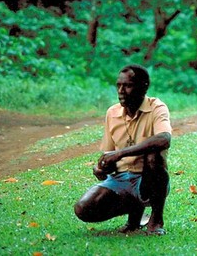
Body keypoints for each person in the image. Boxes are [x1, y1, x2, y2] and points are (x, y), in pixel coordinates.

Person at [74, 64, 172, 235]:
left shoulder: (156, 107)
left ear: (144, 86)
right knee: (83, 209)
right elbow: (108, 154)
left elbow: (164, 139)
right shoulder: (112, 113)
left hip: (148, 180)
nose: (121, 90)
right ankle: (135, 216)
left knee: (154, 156)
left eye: (127, 85)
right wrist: (100, 167)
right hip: (120, 179)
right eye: (118, 85)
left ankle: (156, 220)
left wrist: (120, 153)